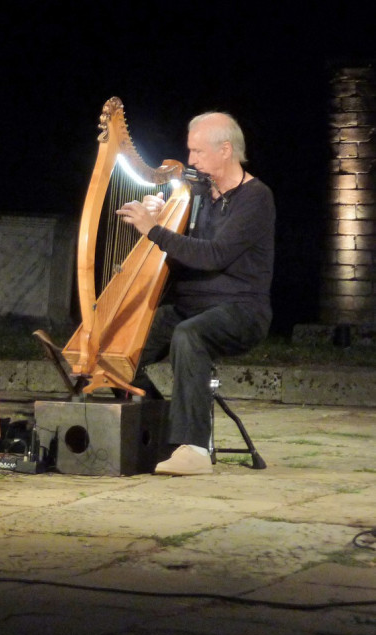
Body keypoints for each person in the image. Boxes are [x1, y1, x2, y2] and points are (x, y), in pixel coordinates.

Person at [116, 112, 275, 476]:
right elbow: (183, 247)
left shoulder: (256, 198)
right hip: (190, 306)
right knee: (122, 351)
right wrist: (162, 214)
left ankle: (195, 448)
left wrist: (154, 230)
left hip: (241, 311)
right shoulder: (195, 194)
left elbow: (214, 255)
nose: (191, 160)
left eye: (198, 151)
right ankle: (159, 432)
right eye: (190, 151)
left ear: (225, 150)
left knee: (189, 335)